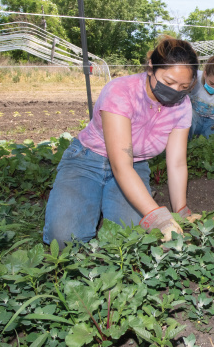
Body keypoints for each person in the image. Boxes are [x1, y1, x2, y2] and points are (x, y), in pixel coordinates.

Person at [43, 36, 200, 249]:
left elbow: (177, 163)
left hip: (134, 166)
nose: (175, 91)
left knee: (129, 238)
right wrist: (159, 218)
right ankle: (87, 200)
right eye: (169, 82)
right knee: (63, 238)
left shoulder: (182, 106)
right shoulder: (121, 91)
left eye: (183, 86)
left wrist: (181, 212)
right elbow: (120, 165)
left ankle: (105, 204)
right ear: (152, 67)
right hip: (87, 160)